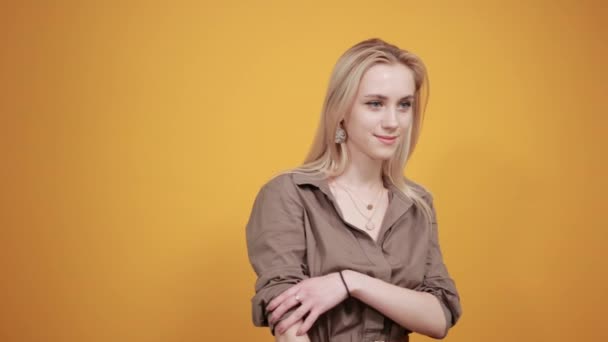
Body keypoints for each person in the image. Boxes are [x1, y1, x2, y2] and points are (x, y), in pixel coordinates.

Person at [245, 38, 462, 342]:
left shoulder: (417, 205)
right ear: (341, 109)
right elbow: (289, 321)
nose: (393, 122)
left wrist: (350, 282)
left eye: (404, 105)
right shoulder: (289, 194)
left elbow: (439, 317)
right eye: (375, 103)